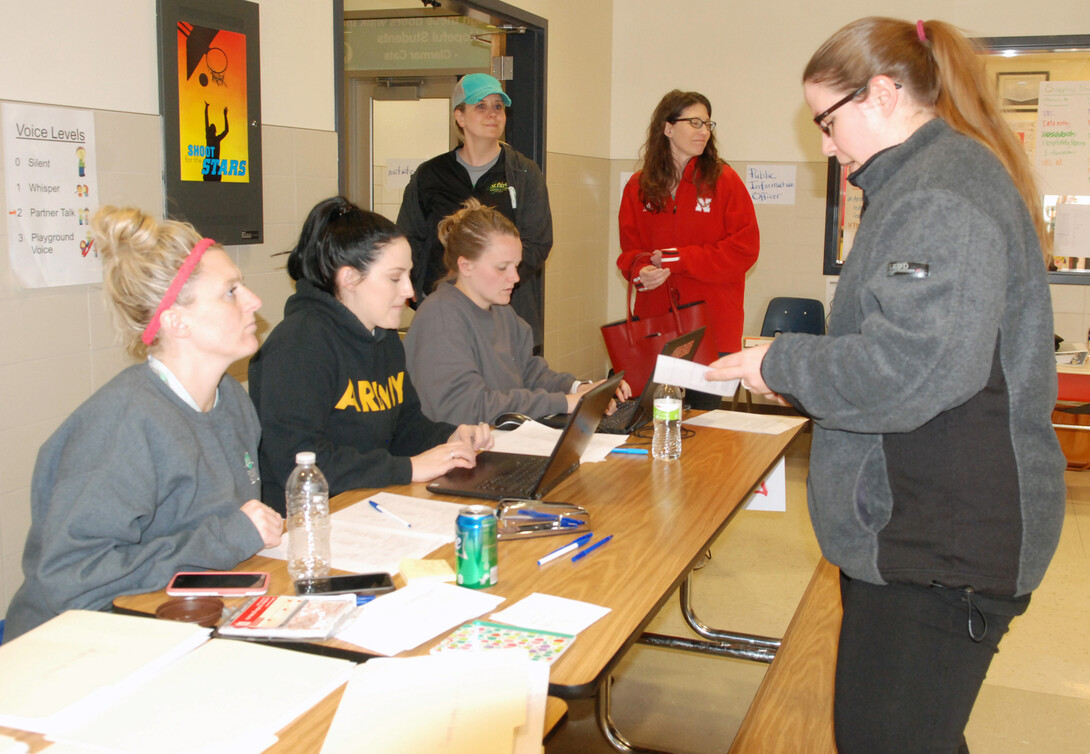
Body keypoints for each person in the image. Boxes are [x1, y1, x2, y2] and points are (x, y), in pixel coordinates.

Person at [706, 18, 1065, 753]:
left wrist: (780, 363)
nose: (827, 146)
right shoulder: (921, 182)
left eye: (827, 124)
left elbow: (916, 369)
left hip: (942, 545)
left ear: (883, 93)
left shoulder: (942, 194)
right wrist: (807, 379)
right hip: (916, 532)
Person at [4, 207, 283, 641]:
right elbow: (70, 577)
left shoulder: (231, 402)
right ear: (177, 321)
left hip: (173, 618)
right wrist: (227, 537)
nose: (254, 300)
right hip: (74, 645)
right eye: (231, 291)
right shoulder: (122, 425)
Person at [248, 197, 492, 514]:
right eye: (395, 278)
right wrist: (409, 469)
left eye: (409, 275)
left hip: (369, 504)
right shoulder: (298, 345)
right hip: (310, 522)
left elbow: (405, 426)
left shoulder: (383, 337)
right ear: (349, 278)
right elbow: (299, 462)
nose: (410, 292)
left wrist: (450, 436)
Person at [405, 199, 631, 425]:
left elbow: (530, 373)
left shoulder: (502, 311)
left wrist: (580, 389)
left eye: (516, 266)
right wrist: (565, 402)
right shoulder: (440, 316)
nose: (515, 277)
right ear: (466, 266)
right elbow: (467, 406)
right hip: (454, 450)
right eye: (502, 267)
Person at [618, 89, 759, 408]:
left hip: (712, 325)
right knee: (652, 419)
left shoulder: (724, 180)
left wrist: (677, 260)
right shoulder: (638, 186)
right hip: (656, 323)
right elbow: (630, 252)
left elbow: (744, 249)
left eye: (708, 124)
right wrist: (642, 272)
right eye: (694, 122)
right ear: (667, 128)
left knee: (705, 425)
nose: (704, 131)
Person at [398, 73, 553, 353]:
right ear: (460, 116)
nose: (492, 114)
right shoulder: (430, 175)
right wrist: (420, 294)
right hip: (445, 318)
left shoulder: (523, 173)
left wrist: (488, 281)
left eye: (498, 106)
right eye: (480, 106)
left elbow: (537, 244)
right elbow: (409, 240)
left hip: (508, 318)